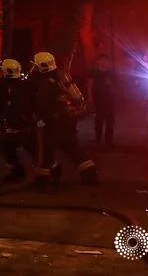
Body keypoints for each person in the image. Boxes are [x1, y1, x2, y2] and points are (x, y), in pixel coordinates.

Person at [31, 51, 98, 187]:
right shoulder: (60, 78)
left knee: (46, 152)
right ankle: (89, 173)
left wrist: (39, 122)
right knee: (73, 148)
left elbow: (43, 107)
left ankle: (43, 180)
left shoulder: (44, 83)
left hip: (52, 124)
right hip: (67, 121)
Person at [0, 58, 34, 182]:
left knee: (12, 148)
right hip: (19, 124)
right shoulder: (24, 84)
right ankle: (17, 172)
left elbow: (3, 104)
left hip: (16, 124)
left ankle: (45, 170)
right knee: (9, 149)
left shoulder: (6, 84)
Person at [87, 54, 120, 148]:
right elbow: (90, 85)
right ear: (98, 62)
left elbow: (117, 85)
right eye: (101, 60)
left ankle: (108, 141)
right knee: (99, 121)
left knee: (110, 121)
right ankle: (98, 139)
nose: (103, 62)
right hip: (99, 101)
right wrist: (90, 98)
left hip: (110, 101)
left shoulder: (112, 73)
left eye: (105, 60)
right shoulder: (94, 73)